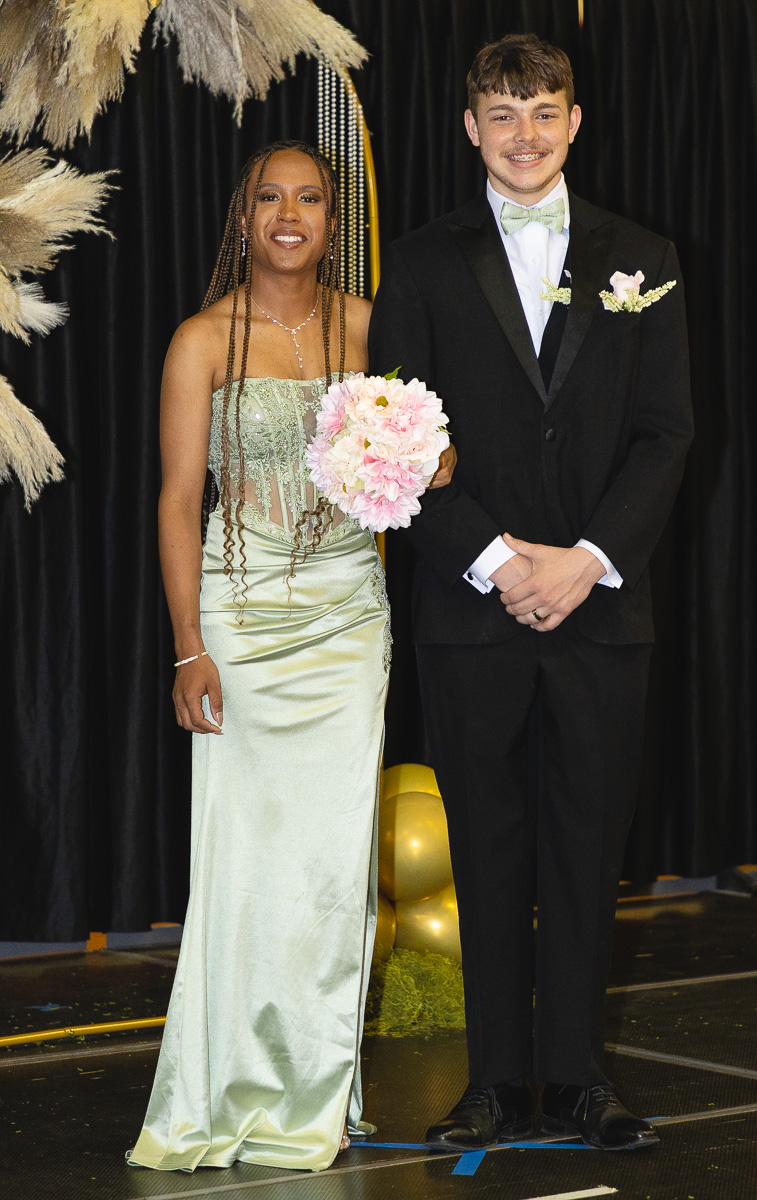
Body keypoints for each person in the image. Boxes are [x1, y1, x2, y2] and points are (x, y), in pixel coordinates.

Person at [369, 34, 693, 1153]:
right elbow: (390, 445)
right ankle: (495, 1080)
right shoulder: (414, 263)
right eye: (501, 113)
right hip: (472, 611)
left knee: (583, 847)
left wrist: (586, 557)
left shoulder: (640, 255)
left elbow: (664, 436)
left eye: (543, 110)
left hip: (600, 611)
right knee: (488, 849)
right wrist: (497, 561)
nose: (524, 133)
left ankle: (578, 1080)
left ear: (573, 120)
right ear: (468, 128)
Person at [128, 141, 453, 1173]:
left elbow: (429, 448)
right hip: (238, 620)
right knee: (242, 866)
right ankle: (222, 1087)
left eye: (309, 198)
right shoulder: (199, 341)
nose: (288, 213)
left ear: (330, 219)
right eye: (269, 196)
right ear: (241, 217)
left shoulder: (369, 326)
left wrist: (428, 461)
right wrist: (186, 648)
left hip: (346, 620)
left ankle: (318, 1090)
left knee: (329, 872)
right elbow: (180, 503)